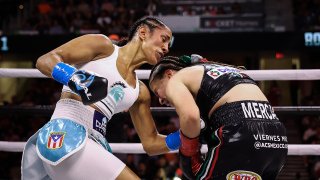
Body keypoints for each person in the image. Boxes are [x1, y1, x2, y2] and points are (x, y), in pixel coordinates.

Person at [21, 16, 181, 180]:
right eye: (164, 39)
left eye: (169, 44)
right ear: (143, 32)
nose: (166, 48)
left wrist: (190, 135)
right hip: (65, 136)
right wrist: (76, 79)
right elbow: (45, 60)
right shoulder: (103, 47)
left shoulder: (140, 91)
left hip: (94, 145)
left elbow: (151, 144)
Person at [148, 55, 288, 180]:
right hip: (277, 137)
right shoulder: (221, 71)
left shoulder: (176, 80)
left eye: (156, 91)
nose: (160, 100)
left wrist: (188, 150)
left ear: (169, 74)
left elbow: (191, 117)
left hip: (240, 131)